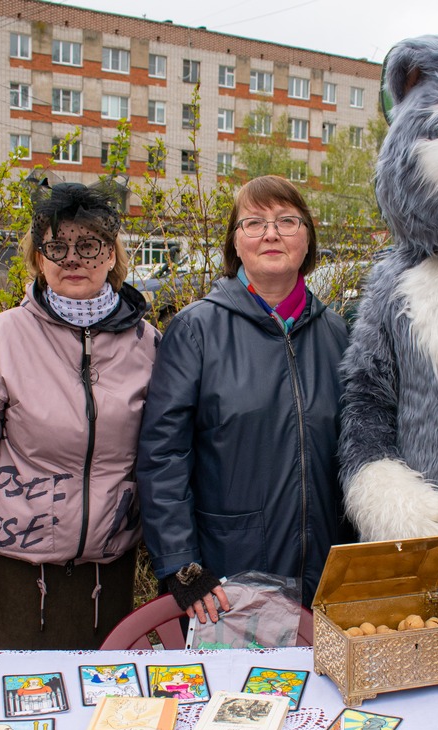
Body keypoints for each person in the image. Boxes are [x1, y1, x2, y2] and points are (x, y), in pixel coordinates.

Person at [0, 182, 159, 651]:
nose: (72, 259)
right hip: (22, 573)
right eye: (56, 246)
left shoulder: (148, 345)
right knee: (26, 714)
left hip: (108, 571)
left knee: (105, 707)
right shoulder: (1, 339)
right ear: (38, 257)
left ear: (111, 256)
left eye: (89, 245)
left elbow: (166, 454)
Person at [137, 175, 350, 624]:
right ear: (236, 243)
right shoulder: (196, 330)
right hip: (227, 578)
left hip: (325, 576)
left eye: (287, 221)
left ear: (307, 238)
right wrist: (182, 564)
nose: (271, 233)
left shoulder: (337, 334)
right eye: (254, 223)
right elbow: (163, 456)